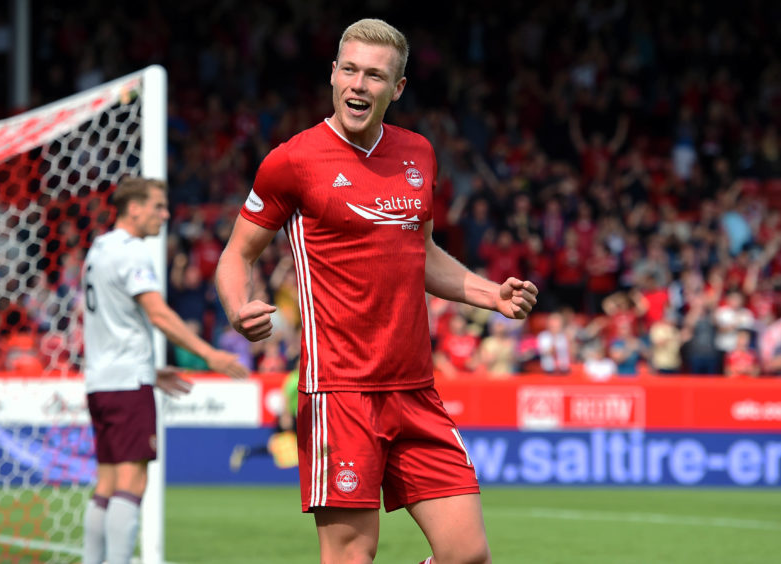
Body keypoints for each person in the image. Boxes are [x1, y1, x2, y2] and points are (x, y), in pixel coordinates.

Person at [215, 19, 538, 564]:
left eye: (375, 75)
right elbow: (237, 253)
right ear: (333, 75)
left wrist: (490, 294)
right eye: (350, 70)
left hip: (415, 389)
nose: (359, 85)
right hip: (339, 391)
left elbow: (422, 252)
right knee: (349, 557)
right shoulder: (293, 160)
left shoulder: (418, 154)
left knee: (468, 553)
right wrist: (236, 307)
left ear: (398, 88)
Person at [81, 176, 248, 564]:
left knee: (106, 482)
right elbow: (157, 312)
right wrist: (211, 355)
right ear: (133, 208)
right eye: (157, 206)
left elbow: (109, 322)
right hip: (126, 384)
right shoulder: (132, 252)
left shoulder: (98, 249)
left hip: (102, 381)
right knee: (132, 480)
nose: (165, 214)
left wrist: (152, 371)